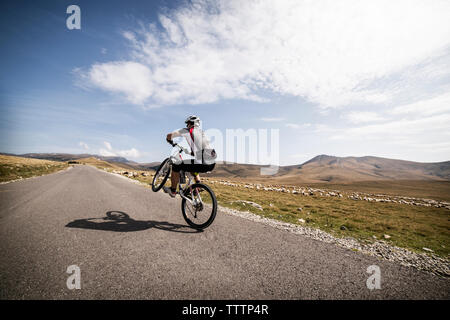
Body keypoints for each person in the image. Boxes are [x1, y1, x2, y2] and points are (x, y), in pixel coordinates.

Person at [163, 115, 216, 197]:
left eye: (187, 124)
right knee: (192, 165)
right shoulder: (202, 133)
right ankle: (198, 185)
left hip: (204, 162)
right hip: (212, 163)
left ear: (190, 123)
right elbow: (201, 150)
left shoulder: (187, 130)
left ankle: (173, 190)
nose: (187, 126)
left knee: (176, 165)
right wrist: (190, 152)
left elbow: (169, 135)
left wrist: (169, 140)